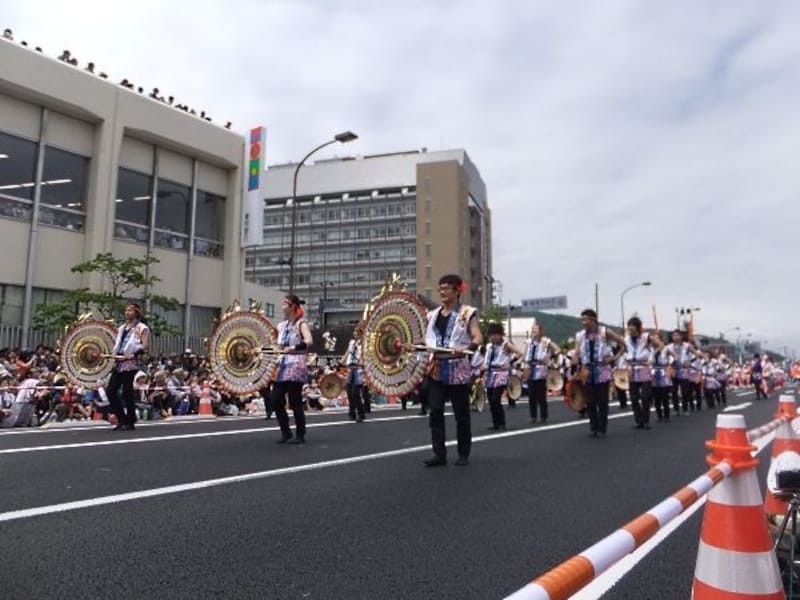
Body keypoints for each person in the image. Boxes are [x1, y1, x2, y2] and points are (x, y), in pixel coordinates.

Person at [418, 274, 482, 466]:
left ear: (457, 291)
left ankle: (463, 453)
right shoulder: (432, 315)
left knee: (461, 413)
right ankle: (439, 453)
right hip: (436, 366)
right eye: (440, 288)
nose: (442, 292)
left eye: (446, 288)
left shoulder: (467, 313)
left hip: (457, 366)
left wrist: (468, 348)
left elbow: (477, 336)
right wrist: (412, 345)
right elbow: (426, 340)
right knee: (435, 410)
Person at [574, 309, 625, 438]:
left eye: (586, 319)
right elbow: (576, 353)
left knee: (602, 400)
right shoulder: (580, 335)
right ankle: (593, 428)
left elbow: (623, 343)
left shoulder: (604, 331)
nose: (584, 322)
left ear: (593, 319)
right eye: (582, 320)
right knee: (590, 401)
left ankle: (602, 428)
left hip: (602, 368)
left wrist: (614, 357)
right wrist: (575, 368)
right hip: (586, 369)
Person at [271, 295, 313, 444]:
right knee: (275, 400)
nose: (282, 305)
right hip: (282, 364)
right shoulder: (282, 326)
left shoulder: (301, 323)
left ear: (293, 306)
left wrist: (293, 347)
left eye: (285, 303)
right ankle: (286, 432)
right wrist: (264, 349)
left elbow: (308, 341)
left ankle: (300, 434)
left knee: (295, 401)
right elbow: (278, 346)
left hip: (296, 364)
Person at [107, 302, 150, 430]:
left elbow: (145, 345)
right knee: (111, 390)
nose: (127, 313)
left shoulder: (142, 328)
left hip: (130, 362)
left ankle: (130, 420)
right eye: (126, 310)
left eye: (130, 310)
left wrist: (134, 354)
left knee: (127, 391)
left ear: (136, 313)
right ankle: (122, 418)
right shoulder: (121, 328)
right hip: (119, 360)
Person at [624, 317, 663, 429]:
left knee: (645, 396)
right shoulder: (626, 339)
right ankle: (638, 420)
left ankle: (646, 420)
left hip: (644, 367)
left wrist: (653, 356)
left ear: (638, 328)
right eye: (629, 329)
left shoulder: (646, 337)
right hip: (632, 367)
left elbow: (660, 345)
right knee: (634, 397)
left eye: (633, 329)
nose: (631, 332)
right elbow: (624, 351)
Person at [482, 323, 522, 431]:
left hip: (501, 372)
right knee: (490, 399)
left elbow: (519, 353)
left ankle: (502, 422)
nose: (494, 337)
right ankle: (496, 423)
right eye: (492, 334)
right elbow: (486, 360)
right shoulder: (489, 346)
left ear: (500, 335)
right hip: (491, 373)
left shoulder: (506, 344)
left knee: (496, 398)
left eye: (496, 334)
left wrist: (511, 362)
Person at [522, 322, 561, 424]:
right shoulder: (529, 342)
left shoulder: (545, 341)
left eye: (536, 330)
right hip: (530, 367)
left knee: (540, 395)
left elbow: (557, 349)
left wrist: (550, 356)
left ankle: (543, 416)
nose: (534, 332)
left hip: (540, 368)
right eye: (533, 330)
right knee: (531, 395)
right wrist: (520, 362)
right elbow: (525, 354)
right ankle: (533, 416)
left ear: (541, 331)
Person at [341, 324, 367, 422]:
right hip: (350, 368)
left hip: (358, 369)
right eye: (354, 331)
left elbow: (365, 356)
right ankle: (352, 413)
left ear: (361, 333)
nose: (355, 333)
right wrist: (341, 362)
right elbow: (348, 352)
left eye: (357, 331)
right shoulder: (351, 342)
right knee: (349, 392)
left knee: (355, 392)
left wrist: (363, 361)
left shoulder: (364, 344)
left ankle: (361, 414)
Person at [650, 331, 677, 422]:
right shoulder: (650, 349)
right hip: (654, 371)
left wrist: (671, 364)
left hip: (664, 371)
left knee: (664, 395)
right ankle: (659, 415)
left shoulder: (666, 348)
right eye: (654, 338)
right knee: (656, 396)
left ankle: (666, 415)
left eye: (657, 338)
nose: (655, 340)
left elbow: (675, 356)